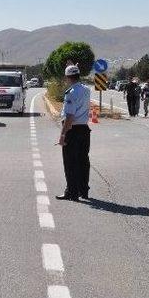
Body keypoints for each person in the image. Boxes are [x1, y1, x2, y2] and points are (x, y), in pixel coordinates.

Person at [56, 64, 91, 201]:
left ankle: (72, 192)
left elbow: (69, 117)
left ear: (67, 77)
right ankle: (84, 190)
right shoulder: (86, 89)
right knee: (83, 161)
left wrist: (63, 135)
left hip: (73, 130)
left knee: (70, 162)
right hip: (84, 129)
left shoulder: (71, 93)